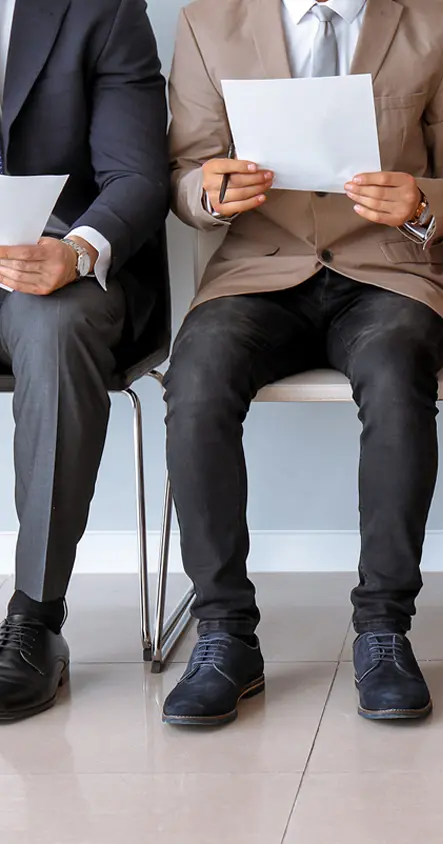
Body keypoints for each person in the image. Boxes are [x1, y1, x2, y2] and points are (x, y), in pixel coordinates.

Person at [164, 0, 443, 726]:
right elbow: (185, 172)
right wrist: (208, 192)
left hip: (391, 276)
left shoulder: (441, 27)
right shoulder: (208, 23)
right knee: (194, 377)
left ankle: (384, 630)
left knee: (393, 369)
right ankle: (224, 634)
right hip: (259, 272)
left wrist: (421, 199)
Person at [0, 0, 169, 722]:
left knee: (56, 324)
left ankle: (35, 617)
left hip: (57, 271)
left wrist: (75, 252)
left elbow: (136, 175)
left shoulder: (99, 8)